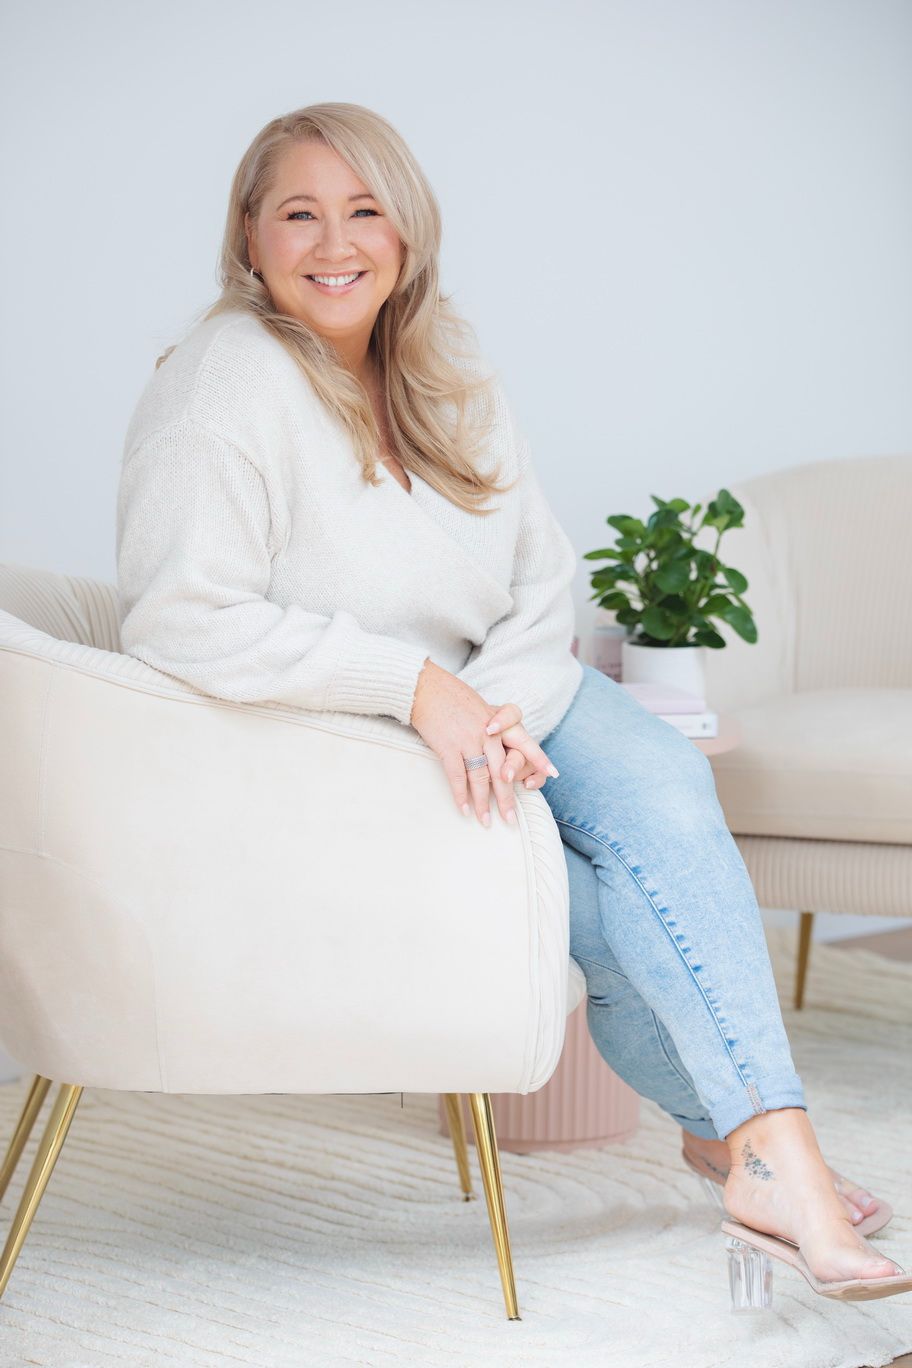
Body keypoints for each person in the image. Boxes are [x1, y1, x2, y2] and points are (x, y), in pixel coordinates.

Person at [116, 101, 909, 1305]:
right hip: (352, 736)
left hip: (507, 698)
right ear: (248, 235)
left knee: (666, 785)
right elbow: (178, 617)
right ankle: (748, 1149)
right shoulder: (221, 387)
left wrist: (488, 708)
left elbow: (542, 579)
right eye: (299, 214)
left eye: (365, 211)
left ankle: (759, 1150)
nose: (335, 243)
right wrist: (418, 690)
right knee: (589, 901)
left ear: (408, 230)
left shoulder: (448, 363)